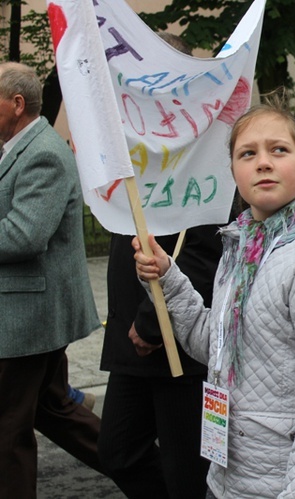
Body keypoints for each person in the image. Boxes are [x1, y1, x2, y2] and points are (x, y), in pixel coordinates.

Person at [133, 97, 295, 498]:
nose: (263, 162)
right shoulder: (242, 246)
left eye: (279, 150)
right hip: (231, 478)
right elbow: (215, 347)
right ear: (233, 172)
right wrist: (169, 279)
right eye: (248, 153)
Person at [96, 31, 217, 499]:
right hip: (133, 334)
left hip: (174, 338)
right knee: (118, 450)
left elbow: (204, 251)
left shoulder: (202, 147)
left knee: (187, 466)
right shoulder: (134, 141)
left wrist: (151, 323)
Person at [0, 61, 104, 497]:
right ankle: (151, 473)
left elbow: (24, 235)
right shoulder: (17, 146)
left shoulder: (43, 152)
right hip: (28, 315)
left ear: (16, 104)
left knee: (6, 433)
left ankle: (153, 472)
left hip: (28, 320)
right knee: (54, 408)